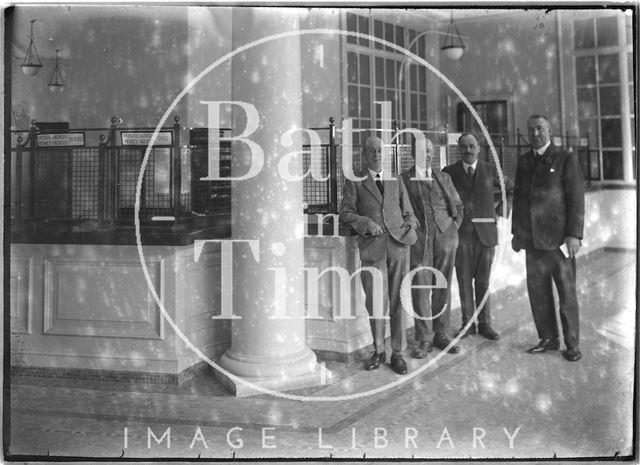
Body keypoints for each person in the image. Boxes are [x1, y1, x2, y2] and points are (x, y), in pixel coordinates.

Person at [339, 135, 418, 375]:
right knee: (375, 302)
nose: (376, 155)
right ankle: (378, 350)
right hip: (373, 250)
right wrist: (365, 222)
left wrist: (409, 228)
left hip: (399, 248)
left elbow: (409, 213)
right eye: (371, 151)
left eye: (379, 151)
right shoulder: (355, 181)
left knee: (397, 301)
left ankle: (397, 353)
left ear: (385, 154)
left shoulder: (396, 179)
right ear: (363, 155)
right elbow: (345, 213)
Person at [511, 115, 585, 362]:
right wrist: (516, 234)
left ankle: (572, 344)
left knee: (567, 294)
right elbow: (519, 201)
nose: (535, 134)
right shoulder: (524, 162)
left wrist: (574, 234)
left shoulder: (566, 158)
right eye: (531, 130)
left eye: (539, 129)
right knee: (538, 293)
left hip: (559, 242)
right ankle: (548, 339)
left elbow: (576, 199)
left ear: (550, 131)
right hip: (532, 242)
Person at [443, 133, 513, 341]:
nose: (468, 150)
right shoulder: (449, 172)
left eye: (472, 146)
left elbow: (510, 189)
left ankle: (485, 323)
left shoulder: (491, 171)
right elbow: (440, 198)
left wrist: (499, 211)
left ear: (479, 148)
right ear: (459, 149)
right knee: (464, 281)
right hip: (461, 235)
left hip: (486, 235)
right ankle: (467, 324)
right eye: (464, 146)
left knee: (482, 281)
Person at [400, 137, 464, 358]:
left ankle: (441, 334)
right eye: (421, 151)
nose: (426, 155)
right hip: (419, 241)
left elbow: (457, 205)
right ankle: (424, 339)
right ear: (412, 153)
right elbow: (398, 210)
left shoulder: (443, 177)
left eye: (429, 151)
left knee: (442, 286)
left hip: (446, 238)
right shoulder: (403, 179)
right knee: (421, 288)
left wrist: (453, 228)